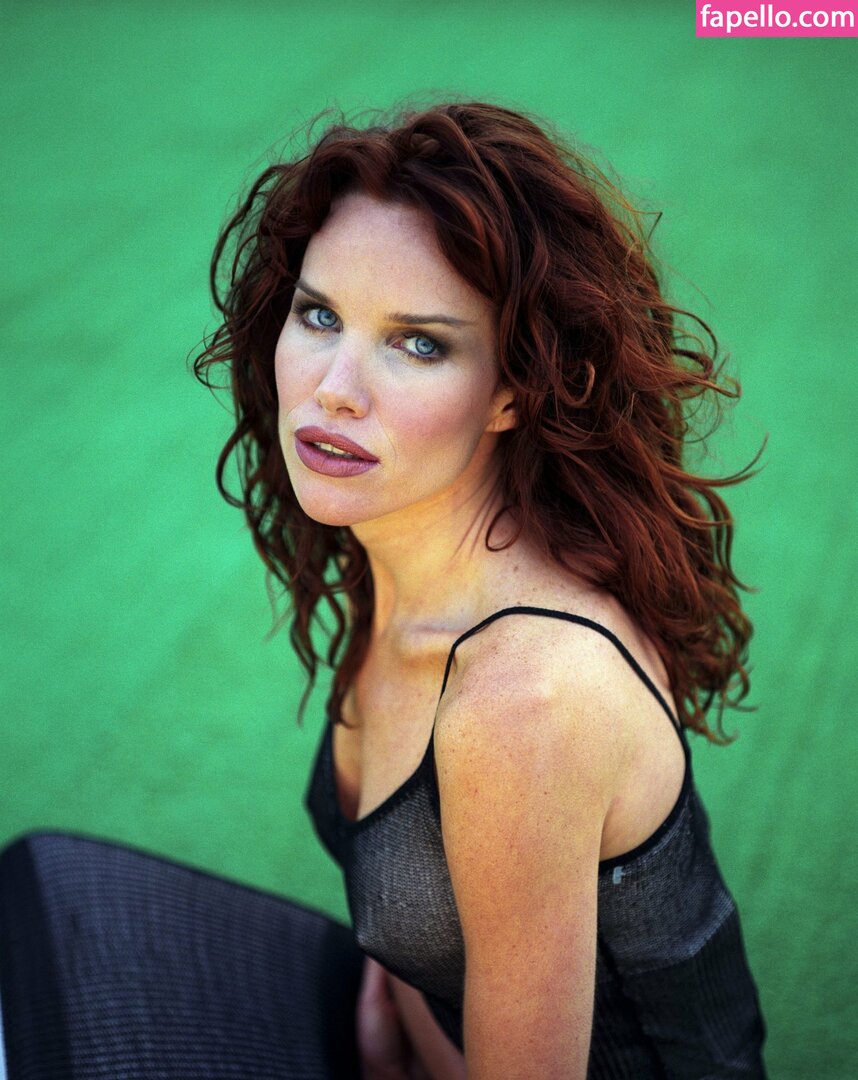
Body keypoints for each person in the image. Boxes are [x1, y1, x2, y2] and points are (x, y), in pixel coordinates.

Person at [0, 99, 767, 1079]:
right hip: (399, 1043)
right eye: (320, 316)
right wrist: (397, 998)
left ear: (514, 389)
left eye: (418, 343)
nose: (334, 387)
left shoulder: (523, 703)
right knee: (41, 895)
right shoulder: (414, 551)